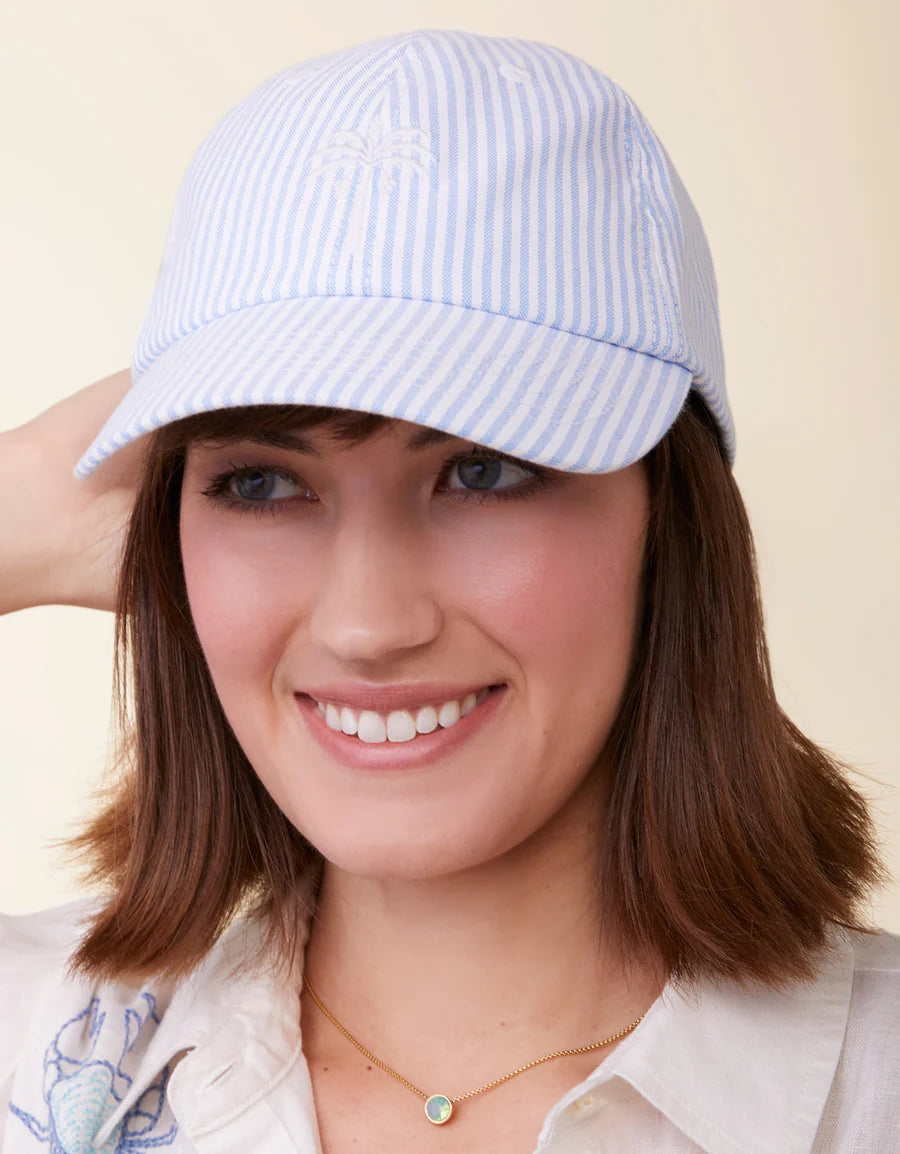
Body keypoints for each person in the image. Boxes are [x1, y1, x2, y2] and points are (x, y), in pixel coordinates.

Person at [1, 28, 897, 1154]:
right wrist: (21, 502)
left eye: (484, 469)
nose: (369, 623)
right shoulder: (33, 1041)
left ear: (671, 517)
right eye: (264, 481)